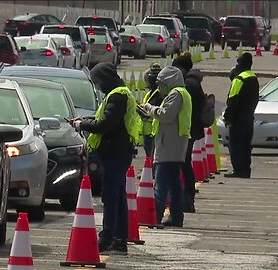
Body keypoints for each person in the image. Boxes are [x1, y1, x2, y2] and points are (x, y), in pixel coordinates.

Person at [71, 62, 139, 255]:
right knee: (117, 196)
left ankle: (109, 238)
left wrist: (82, 125)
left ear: (105, 79)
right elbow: (104, 119)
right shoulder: (117, 94)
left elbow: (105, 124)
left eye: (97, 81)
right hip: (117, 151)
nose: (96, 85)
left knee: (110, 197)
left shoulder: (118, 96)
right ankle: (118, 239)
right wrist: (84, 122)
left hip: (116, 152)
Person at [143, 66, 192, 227]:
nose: (159, 88)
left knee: (161, 184)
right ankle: (176, 217)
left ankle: (155, 216)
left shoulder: (175, 94)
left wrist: (151, 109)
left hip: (169, 145)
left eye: (161, 84)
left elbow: (165, 115)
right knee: (174, 185)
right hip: (174, 144)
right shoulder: (181, 93)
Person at [171, 55, 205, 213]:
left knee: (183, 164)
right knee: (185, 164)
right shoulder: (193, 82)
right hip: (191, 129)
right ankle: (187, 198)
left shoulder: (188, 85)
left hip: (186, 130)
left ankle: (187, 199)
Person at [223, 52, 259, 178]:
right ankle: (246, 170)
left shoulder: (239, 79)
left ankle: (238, 170)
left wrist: (228, 117)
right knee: (246, 145)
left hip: (238, 118)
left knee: (236, 144)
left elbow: (232, 100)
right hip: (249, 116)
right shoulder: (253, 77)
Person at [138, 63, 163, 157]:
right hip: (146, 131)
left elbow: (157, 110)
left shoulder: (159, 94)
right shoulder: (150, 93)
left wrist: (146, 112)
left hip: (153, 131)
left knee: (152, 156)